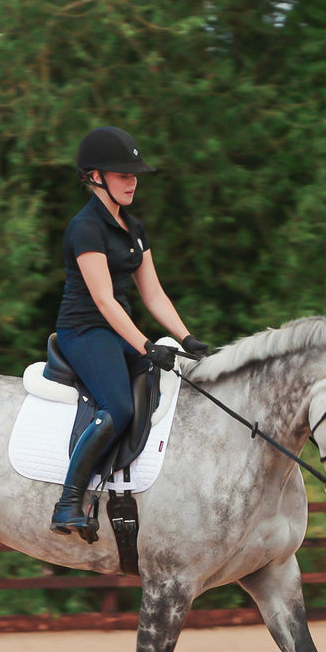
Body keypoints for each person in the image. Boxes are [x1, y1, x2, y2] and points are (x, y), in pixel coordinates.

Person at [50, 126, 211, 536]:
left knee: (170, 387)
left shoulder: (134, 228)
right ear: (96, 177)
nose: (133, 181)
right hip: (85, 331)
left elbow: (153, 293)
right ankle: (69, 502)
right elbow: (103, 300)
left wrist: (186, 338)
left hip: (119, 330)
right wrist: (145, 344)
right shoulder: (85, 228)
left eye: (135, 174)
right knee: (118, 407)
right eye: (123, 174)